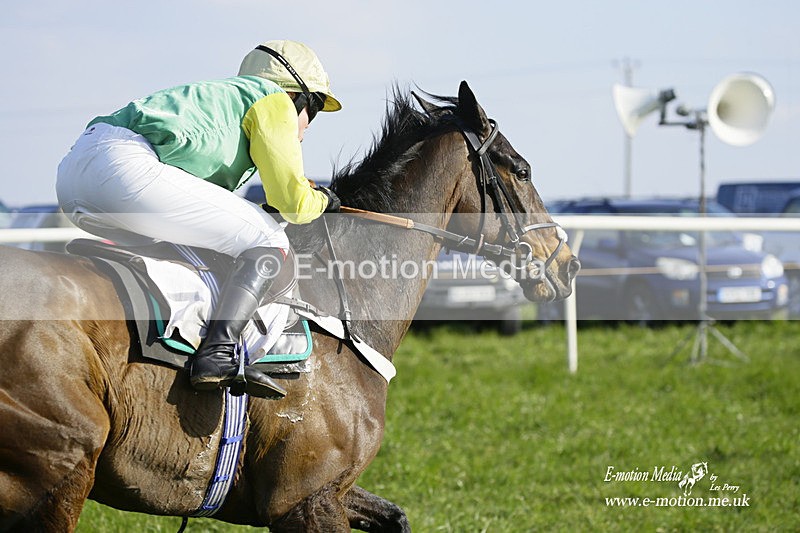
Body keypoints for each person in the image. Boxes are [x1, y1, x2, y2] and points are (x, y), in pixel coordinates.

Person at [56, 40, 342, 398]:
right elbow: (294, 203)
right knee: (270, 240)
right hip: (123, 168)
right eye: (312, 110)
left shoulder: (226, 101)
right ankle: (218, 352)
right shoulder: (274, 100)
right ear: (295, 94)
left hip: (73, 173)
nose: (308, 125)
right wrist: (324, 200)